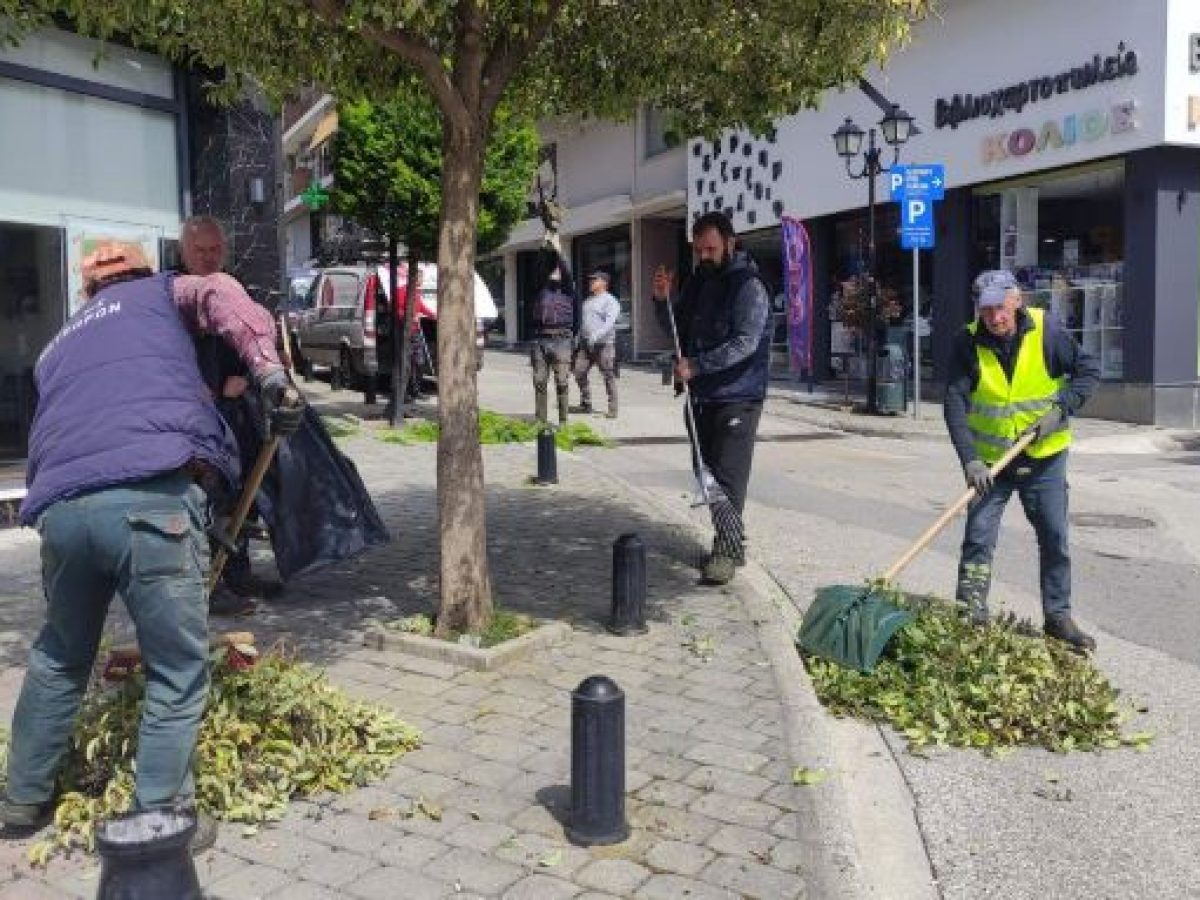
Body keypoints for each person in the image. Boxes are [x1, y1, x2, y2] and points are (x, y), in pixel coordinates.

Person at [0, 242, 302, 844]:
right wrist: (268, 371)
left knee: (60, 654)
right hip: (152, 501)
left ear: (88, 290)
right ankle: (160, 816)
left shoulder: (57, 346)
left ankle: (18, 802)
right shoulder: (166, 293)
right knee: (177, 667)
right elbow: (217, 290)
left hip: (62, 515)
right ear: (142, 274)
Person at [944, 269, 1099, 652]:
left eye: (1001, 307)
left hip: (1044, 458)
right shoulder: (966, 342)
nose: (996, 318)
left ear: (1017, 300)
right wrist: (970, 461)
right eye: (987, 310)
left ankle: (1058, 617)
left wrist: (1060, 410)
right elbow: (954, 404)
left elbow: (1088, 372)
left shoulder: (1047, 330)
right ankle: (971, 613)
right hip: (992, 464)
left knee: (1054, 537)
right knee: (978, 537)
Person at [652, 211, 772, 585]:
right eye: (698, 249)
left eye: (711, 248)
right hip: (700, 395)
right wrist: (661, 300)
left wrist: (698, 366)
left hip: (738, 396)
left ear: (731, 242)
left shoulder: (749, 286)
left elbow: (746, 343)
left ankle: (728, 549)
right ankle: (728, 539)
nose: (703, 255)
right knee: (705, 474)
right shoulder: (699, 282)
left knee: (727, 476)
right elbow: (677, 329)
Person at [181, 216, 282, 616]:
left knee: (243, 496)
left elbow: (257, 339)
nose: (208, 257)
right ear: (185, 251)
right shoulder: (174, 297)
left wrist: (244, 376)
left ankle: (238, 572)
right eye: (200, 250)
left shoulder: (235, 289)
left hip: (236, 413)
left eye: (214, 250)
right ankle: (210, 583)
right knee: (207, 500)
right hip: (195, 420)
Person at [530, 233, 577, 425]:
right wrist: (544, 247)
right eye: (553, 269)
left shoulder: (568, 289)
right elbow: (540, 268)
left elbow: (566, 271)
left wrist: (558, 250)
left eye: (557, 268)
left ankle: (563, 422)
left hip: (562, 339)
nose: (556, 271)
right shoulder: (540, 287)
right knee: (539, 381)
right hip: (541, 339)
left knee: (562, 382)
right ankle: (541, 421)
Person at [573, 269, 622, 418]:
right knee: (578, 371)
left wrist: (597, 335)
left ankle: (612, 409)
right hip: (586, 344)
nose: (591, 282)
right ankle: (586, 402)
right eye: (591, 280)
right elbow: (583, 322)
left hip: (604, 344)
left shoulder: (610, 301)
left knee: (608, 375)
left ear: (604, 283)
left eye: (595, 280)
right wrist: (578, 337)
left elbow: (609, 322)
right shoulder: (588, 301)